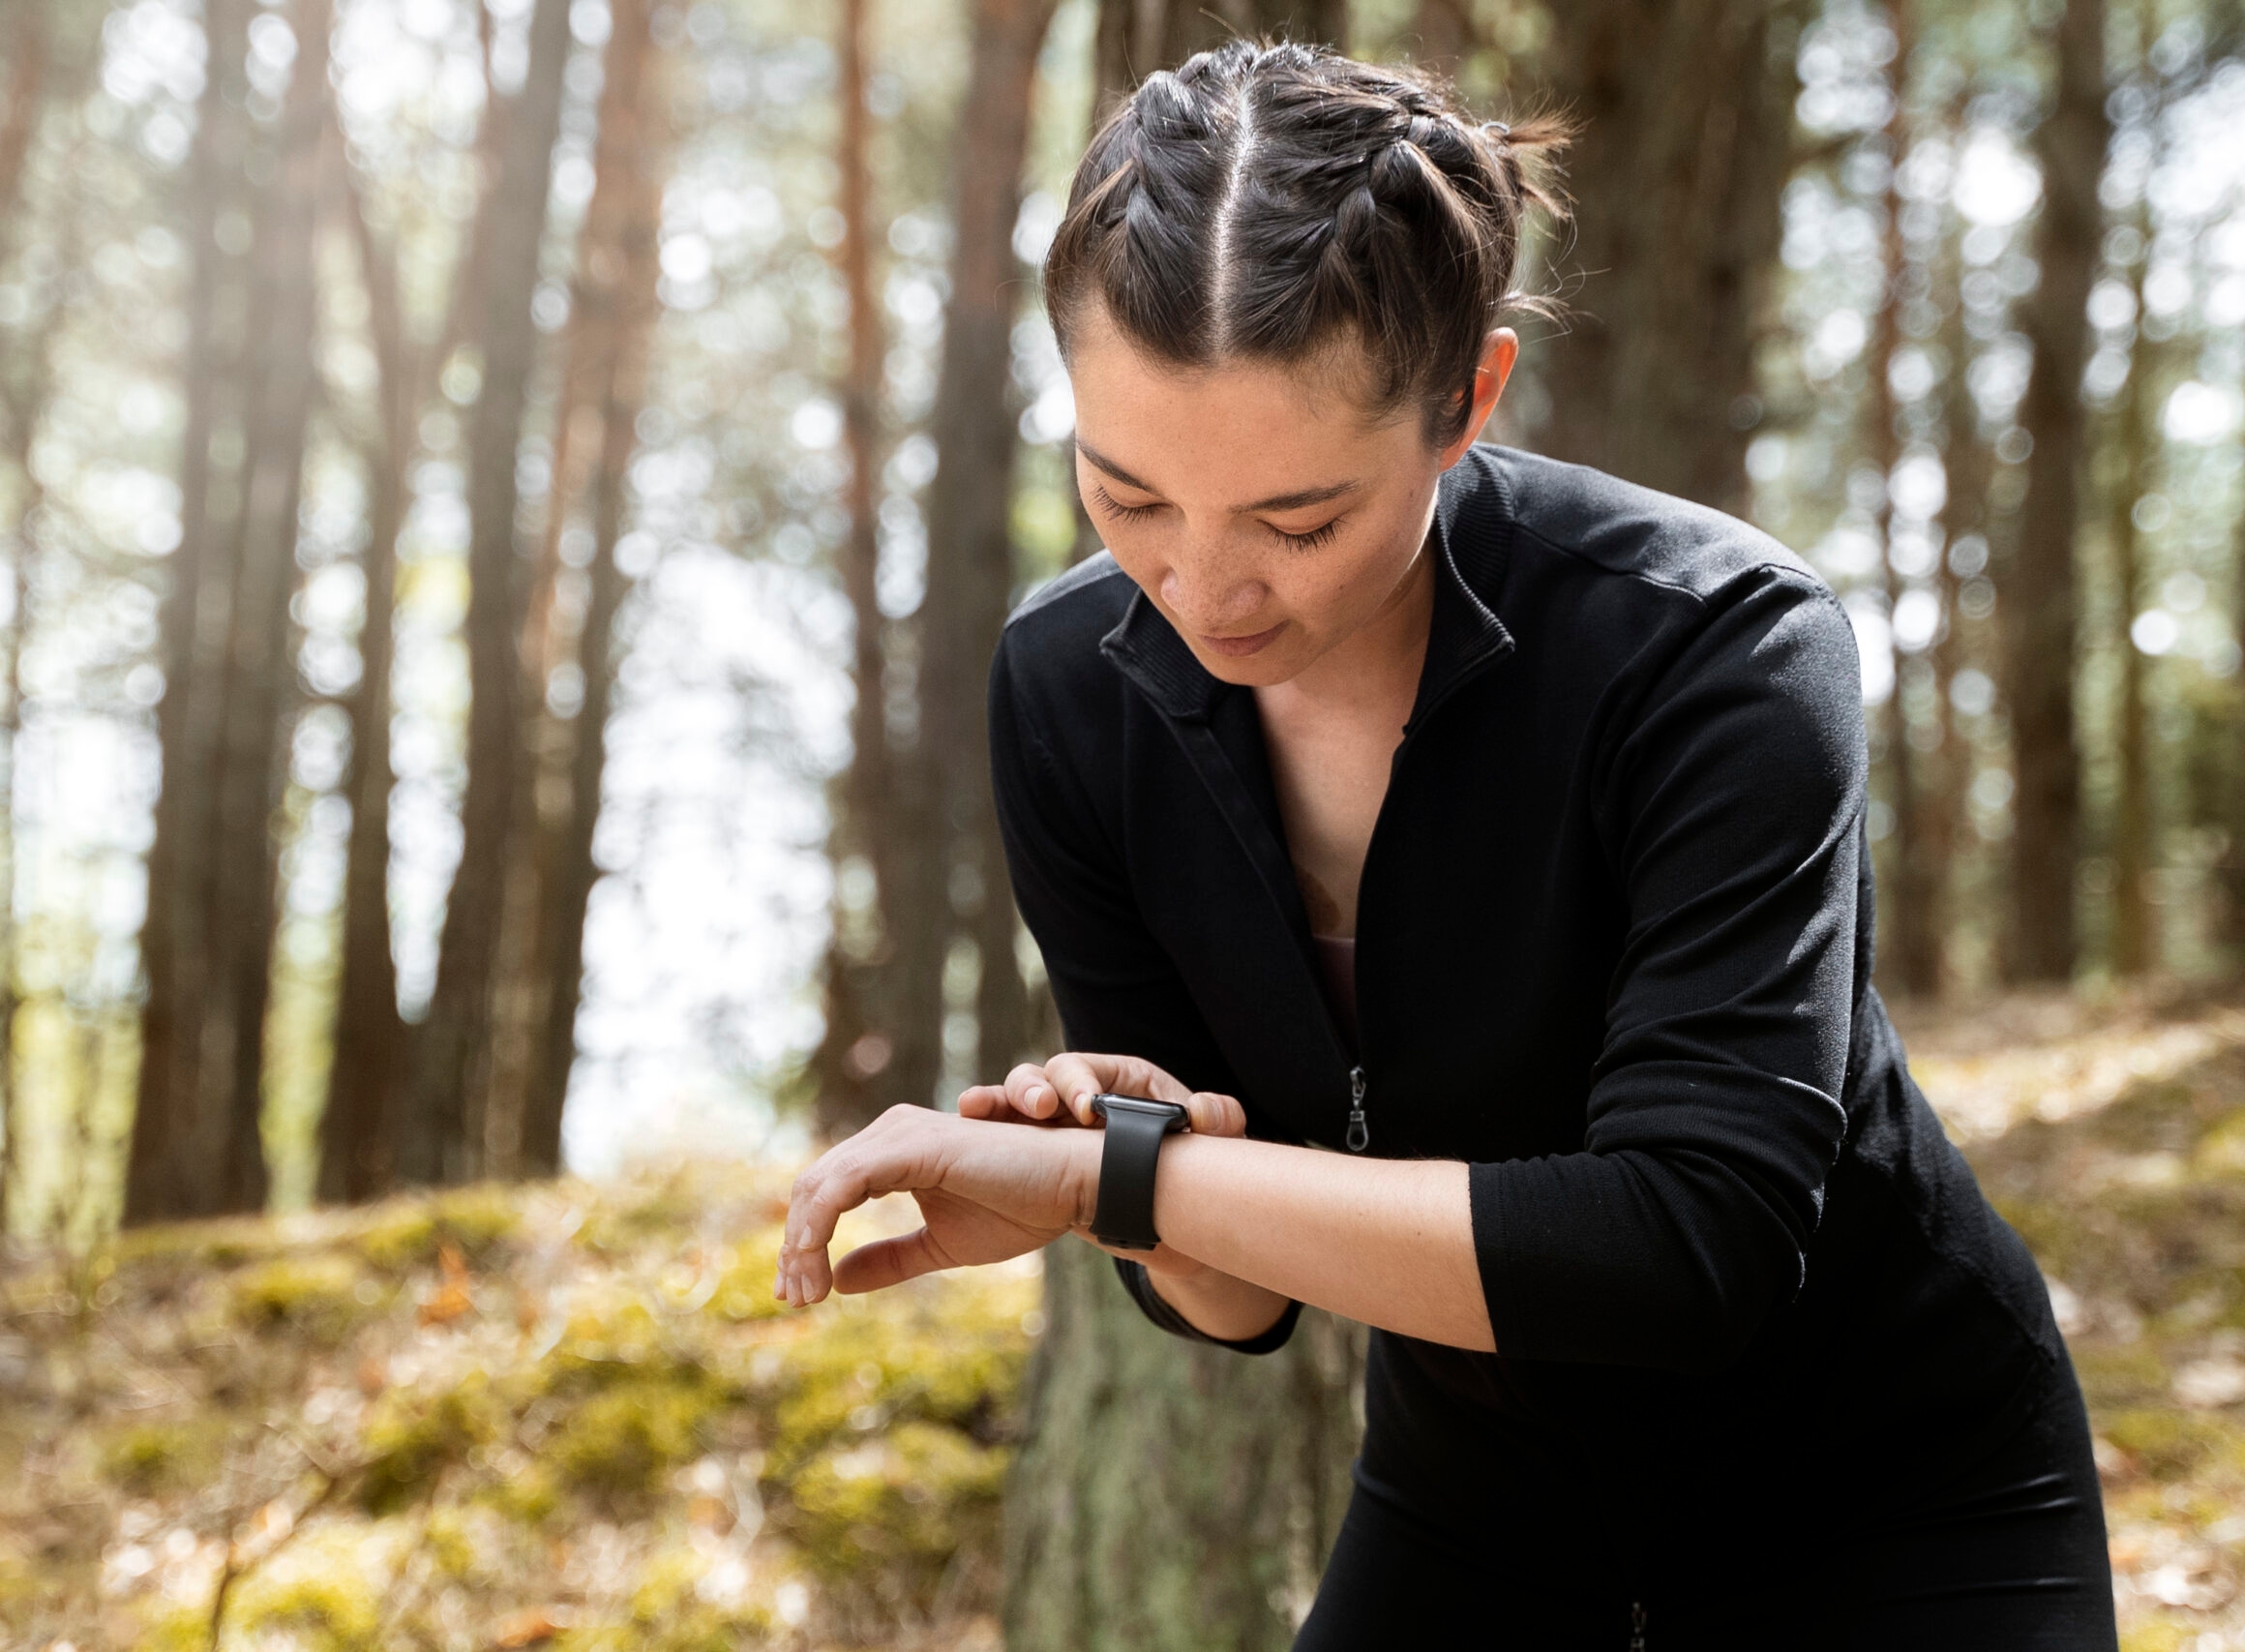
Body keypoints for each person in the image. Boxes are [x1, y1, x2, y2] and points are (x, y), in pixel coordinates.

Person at [773, 38, 2114, 1650]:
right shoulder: (1071, 695)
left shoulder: (1719, 651)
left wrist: (1122, 1175)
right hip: (1475, 1503)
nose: (1205, 595)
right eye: (1128, 499)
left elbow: (1689, 1250)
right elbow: (1236, 1295)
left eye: (1299, 519)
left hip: (1886, 1496)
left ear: (1467, 399)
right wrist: (1124, 1182)